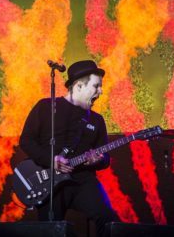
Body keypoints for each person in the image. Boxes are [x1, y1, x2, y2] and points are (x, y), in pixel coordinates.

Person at [19, 60, 119, 237]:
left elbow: (105, 158)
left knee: (109, 220)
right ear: (79, 86)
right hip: (49, 183)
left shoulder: (96, 120)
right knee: (51, 230)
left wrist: (100, 159)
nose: (101, 91)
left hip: (82, 181)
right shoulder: (46, 108)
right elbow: (26, 141)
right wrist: (51, 160)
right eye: (96, 86)